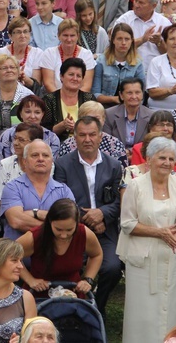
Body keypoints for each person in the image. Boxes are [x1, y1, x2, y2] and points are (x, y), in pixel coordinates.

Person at [117, 136, 176, 343]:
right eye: (162, 157)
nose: (167, 163)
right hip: (143, 262)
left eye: (171, 159)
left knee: (174, 308)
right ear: (149, 159)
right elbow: (127, 223)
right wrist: (159, 232)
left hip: (175, 259)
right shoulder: (135, 186)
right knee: (143, 313)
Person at [53, 115, 123, 313]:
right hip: (75, 230)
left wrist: (102, 213)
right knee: (71, 267)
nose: (87, 139)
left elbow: (119, 200)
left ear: (100, 137)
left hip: (105, 230)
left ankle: (96, 308)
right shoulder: (63, 164)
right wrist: (88, 219)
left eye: (92, 134)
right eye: (82, 135)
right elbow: (62, 200)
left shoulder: (114, 165)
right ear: (74, 137)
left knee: (112, 268)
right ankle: (72, 308)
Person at [16, 198, 101, 299]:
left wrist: (87, 279)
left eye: (69, 230)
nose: (64, 235)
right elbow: (9, 256)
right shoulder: (34, 237)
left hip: (72, 294)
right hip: (39, 295)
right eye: (58, 229)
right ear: (50, 222)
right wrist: (30, 280)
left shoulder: (84, 234)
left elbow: (96, 255)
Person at [1, 139, 74, 240]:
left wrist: (32, 213)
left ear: (52, 161)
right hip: (18, 254)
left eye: (45, 155)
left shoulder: (64, 190)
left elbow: (70, 222)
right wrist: (44, 217)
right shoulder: (12, 187)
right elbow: (16, 221)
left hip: (53, 253)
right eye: (35, 155)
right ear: (24, 161)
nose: (40, 159)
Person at [41, 57, 94, 143]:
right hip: (57, 146)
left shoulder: (89, 99)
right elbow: (44, 132)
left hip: (85, 143)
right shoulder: (49, 100)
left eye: (79, 76)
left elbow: (95, 126)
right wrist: (62, 125)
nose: (75, 78)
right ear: (61, 76)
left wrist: (77, 128)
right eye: (71, 74)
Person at [92, 24, 146, 108]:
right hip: (105, 107)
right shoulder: (101, 61)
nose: (123, 43)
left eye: (127, 39)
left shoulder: (138, 64)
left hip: (130, 107)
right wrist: (114, 99)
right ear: (113, 40)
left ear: (132, 41)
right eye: (119, 39)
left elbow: (141, 94)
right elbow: (95, 94)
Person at [0, 54, 32, 134]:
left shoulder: (28, 96)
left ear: (18, 71)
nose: (9, 70)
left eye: (12, 67)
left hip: (20, 141)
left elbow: (32, 125)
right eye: (4, 68)